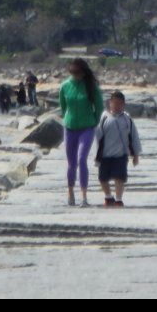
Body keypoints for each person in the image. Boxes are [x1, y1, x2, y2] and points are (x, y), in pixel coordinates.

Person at [58, 58, 104, 207]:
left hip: (87, 128)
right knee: (71, 163)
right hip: (70, 128)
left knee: (82, 159)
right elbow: (63, 107)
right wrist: (67, 118)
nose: (75, 76)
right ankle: (70, 192)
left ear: (84, 73)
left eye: (78, 73)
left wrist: (95, 121)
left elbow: (99, 106)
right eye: (73, 73)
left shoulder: (91, 86)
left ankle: (84, 196)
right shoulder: (65, 86)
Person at [95, 91, 141, 207]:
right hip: (105, 154)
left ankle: (119, 199)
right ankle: (108, 196)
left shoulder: (127, 119)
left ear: (123, 104)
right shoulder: (104, 117)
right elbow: (98, 135)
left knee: (119, 177)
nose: (117, 106)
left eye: (119, 104)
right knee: (102, 178)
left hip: (121, 154)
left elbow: (134, 136)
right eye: (114, 103)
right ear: (110, 103)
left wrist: (135, 155)